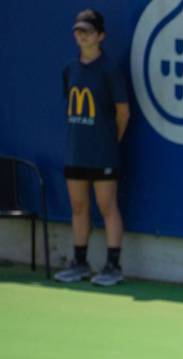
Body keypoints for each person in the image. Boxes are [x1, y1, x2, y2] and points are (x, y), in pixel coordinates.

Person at [54, 9, 129, 286]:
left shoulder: (110, 70)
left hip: (104, 152)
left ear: (101, 36)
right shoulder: (69, 69)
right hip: (76, 150)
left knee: (107, 205)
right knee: (78, 205)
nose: (81, 35)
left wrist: (110, 141)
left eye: (87, 31)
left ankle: (112, 266)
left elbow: (123, 114)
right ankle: (80, 263)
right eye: (78, 30)